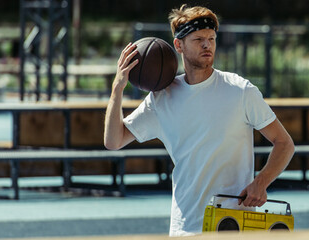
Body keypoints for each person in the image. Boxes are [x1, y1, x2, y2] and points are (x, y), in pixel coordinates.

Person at [103, 4, 295, 236]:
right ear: (178, 45)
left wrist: (261, 181)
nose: (207, 45)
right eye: (198, 39)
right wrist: (117, 88)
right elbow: (114, 141)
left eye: (211, 39)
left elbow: (284, 143)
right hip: (185, 226)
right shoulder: (162, 98)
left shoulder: (240, 90)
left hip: (232, 223)